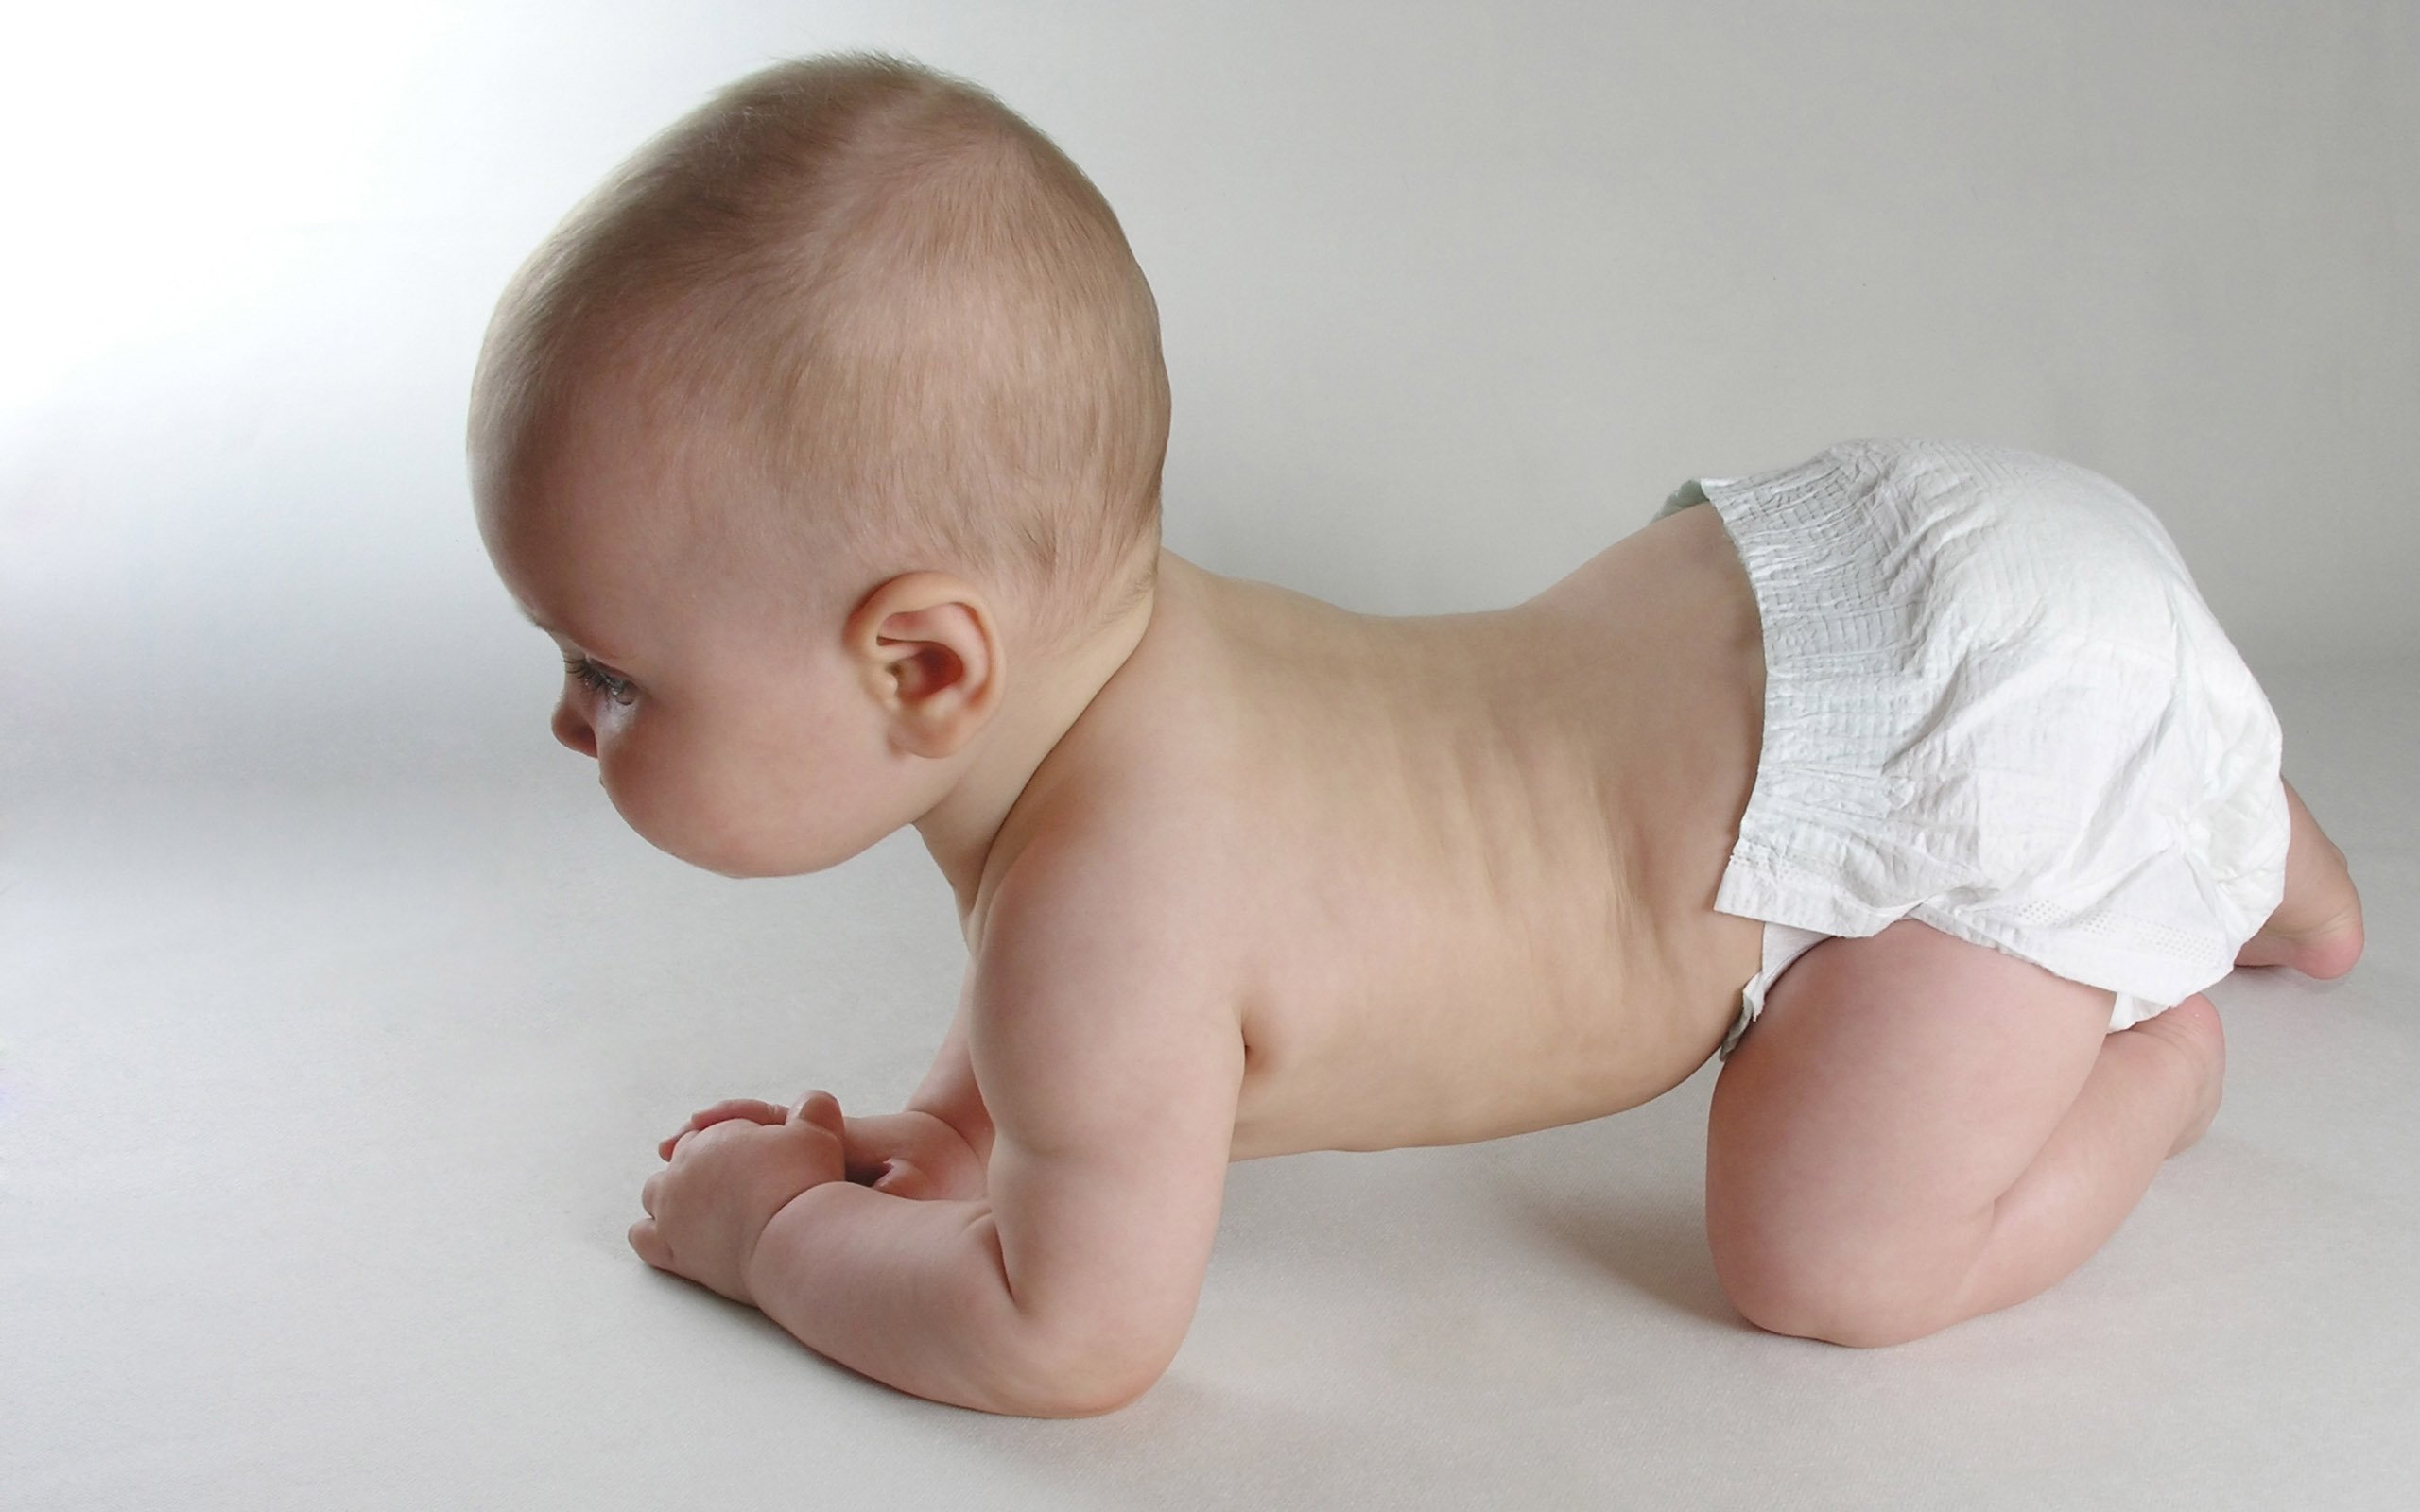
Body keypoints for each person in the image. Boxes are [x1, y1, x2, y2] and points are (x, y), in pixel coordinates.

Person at [467, 51, 2366, 1418]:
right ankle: (2260, 837)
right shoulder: (1150, 660)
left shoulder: (1105, 917)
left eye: (611, 672)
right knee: (2045, 697)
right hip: (1844, 577)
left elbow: (1063, 1335)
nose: (563, 716)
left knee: (1826, 1258)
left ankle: (2152, 1032)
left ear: (926, 668)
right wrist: (960, 1130)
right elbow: (1070, 1047)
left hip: (1945, 747)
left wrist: (771, 1241)